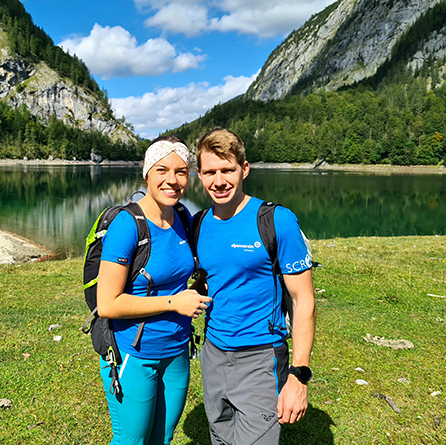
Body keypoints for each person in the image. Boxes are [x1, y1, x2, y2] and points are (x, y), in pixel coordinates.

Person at [194, 129, 316, 445]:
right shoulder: (199, 223)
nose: (218, 181)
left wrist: (299, 376)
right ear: (199, 175)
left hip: (261, 359)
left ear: (244, 169)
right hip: (214, 355)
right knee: (220, 438)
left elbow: (303, 300)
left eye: (227, 170)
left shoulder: (277, 221)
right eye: (210, 172)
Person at [96, 136, 212, 445]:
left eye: (181, 171)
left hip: (176, 353)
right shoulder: (128, 224)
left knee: (162, 438)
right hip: (133, 356)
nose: (172, 181)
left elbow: (180, 275)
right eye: (162, 170)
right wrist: (175, 302)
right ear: (147, 173)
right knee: (131, 442)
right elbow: (107, 304)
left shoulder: (183, 218)